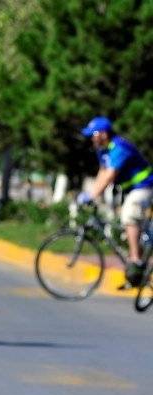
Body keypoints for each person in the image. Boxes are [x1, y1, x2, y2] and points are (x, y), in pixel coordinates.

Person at [78, 116, 153, 286]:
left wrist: (92, 196)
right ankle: (137, 276)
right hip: (130, 190)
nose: (91, 137)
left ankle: (135, 261)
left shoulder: (118, 147)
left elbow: (110, 175)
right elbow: (102, 172)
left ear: (103, 134)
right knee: (129, 230)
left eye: (94, 134)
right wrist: (91, 194)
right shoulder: (102, 149)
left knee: (129, 215)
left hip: (145, 186)